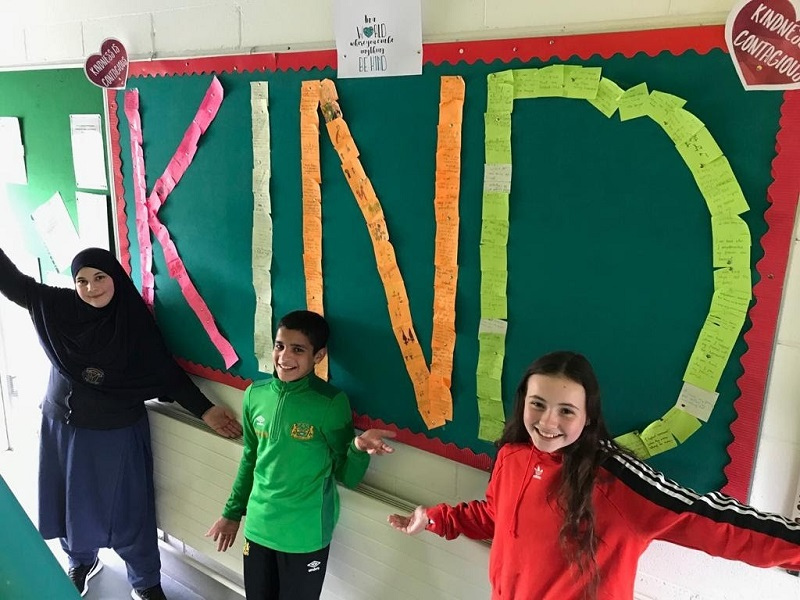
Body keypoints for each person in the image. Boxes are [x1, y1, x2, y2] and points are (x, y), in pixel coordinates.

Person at [388, 350, 800, 600]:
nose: (547, 422)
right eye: (537, 404)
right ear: (522, 403)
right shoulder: (512, 455)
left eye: (566, 410)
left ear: (588, 417)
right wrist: (438, 518)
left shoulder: (616, 482)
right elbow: (496, 516)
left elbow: (713, 521)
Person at [0, 247, 242, 600]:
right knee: (73, 505)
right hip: (63, 426)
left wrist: (205, 410)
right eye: (82, 280)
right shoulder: (58, 307)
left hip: (115, 429)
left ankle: (145, 581)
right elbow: (13, 283)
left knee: (130, 511)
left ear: (116, 278)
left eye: (100, 277)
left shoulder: (133, 322)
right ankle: (80, 561)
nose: (91, 288)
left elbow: (166, 372)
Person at [206, 309, 395, 600]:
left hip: (304, 534)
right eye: (279, 346)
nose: (284, 357)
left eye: (298, 350)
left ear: (318, 356)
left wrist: (358, 448)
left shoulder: (330, 403)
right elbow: (250, 459)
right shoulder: (254, 394)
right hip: (259, 526)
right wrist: (232, 513)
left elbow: (348, 475)